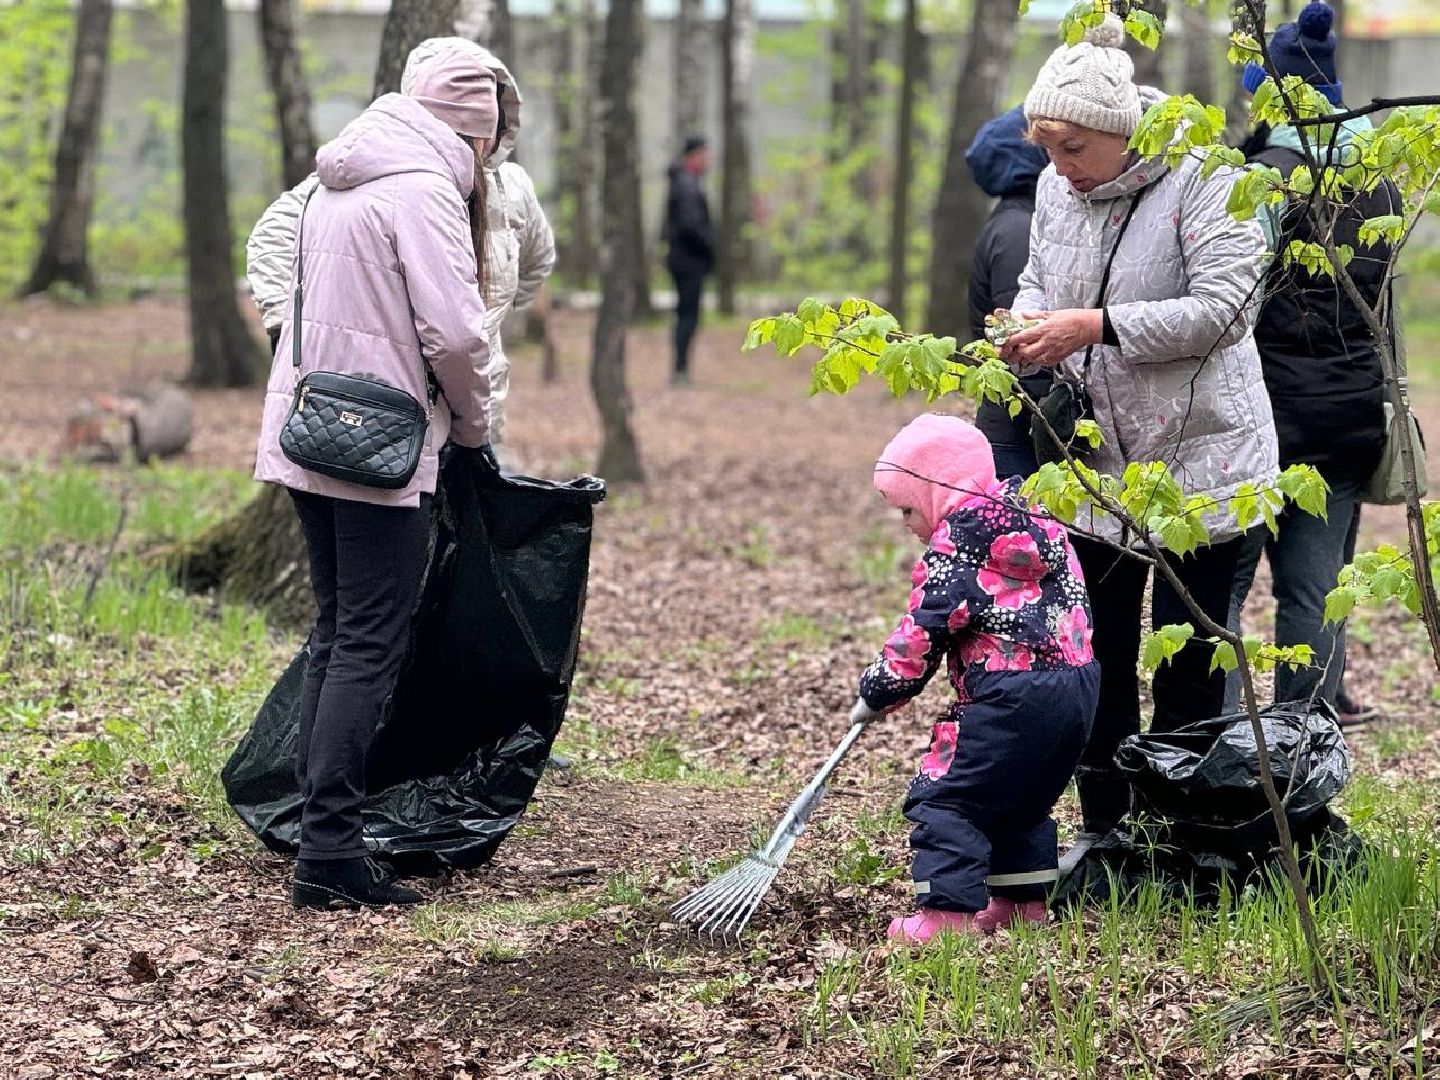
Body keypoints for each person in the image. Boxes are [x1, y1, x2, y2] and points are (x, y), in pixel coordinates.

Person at [998, 15, 1277, 836]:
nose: (1061, 165)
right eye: (1048, 148)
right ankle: (1108, 833)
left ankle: (1183, 838)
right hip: (1095, 467)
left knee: (1188, 663)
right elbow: (1037, 278)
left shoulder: (1204, 176)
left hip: (1206, 463)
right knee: (1097, 655)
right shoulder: (1056, 187)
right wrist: (1026, 324)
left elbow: (1226, 310)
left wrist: (1095, 327)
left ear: (1121, 130)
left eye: (1075, 147)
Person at [251, 43, 497, 910]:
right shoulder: (424, 191)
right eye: (487, 142)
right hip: (378, 444)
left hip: (308, 426)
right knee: (366, 640)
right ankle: (329, 855)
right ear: (470, 134)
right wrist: (474, 426)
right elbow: (457, 336)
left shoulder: (337, 180)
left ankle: (319, 835)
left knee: (337, 630)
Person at [851, 414, 1099, 944]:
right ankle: (1021, 902)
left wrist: (879, 689)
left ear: (935, 489)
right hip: (1077, 686)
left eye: (907, 508)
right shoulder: (1039, 520)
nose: (906, 523)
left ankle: (946, 915)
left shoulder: (958, 543)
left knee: (948, 797)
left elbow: (924, 629)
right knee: (1021, 796)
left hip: (1009, 693)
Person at [247, 39, 554, 465]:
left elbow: (536, 262)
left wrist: (491, 316)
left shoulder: (514, 191)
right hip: (391, 412)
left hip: (472, 410)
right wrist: (291, 330)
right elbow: (272, 235)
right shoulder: (374, 176)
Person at [1225, 2, 1396, 723]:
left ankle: (1220, 736)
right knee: (1315, 590)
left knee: (1222, 591)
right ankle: (1307, 739)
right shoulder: (1379, 182)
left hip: (1260, 416)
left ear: (1274, 99)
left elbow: (1229, 304)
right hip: (1349, 415)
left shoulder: (1264, 181)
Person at [966, 105, 1055, 481]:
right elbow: (1021, 342)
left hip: (1019, 427)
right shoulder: (1018, 230)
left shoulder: (1018, 220)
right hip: (1018, 436)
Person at [663, 136, 715, 386]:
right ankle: (680, 369)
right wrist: (710, 247)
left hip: (685, 258)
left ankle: (681, 368)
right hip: (688, 260)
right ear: (694, 155)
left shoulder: (685, 181)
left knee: (686, 314)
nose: (709, 160)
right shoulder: (686, 184)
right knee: (687, 315)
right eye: (705, 154)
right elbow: (690, 225)